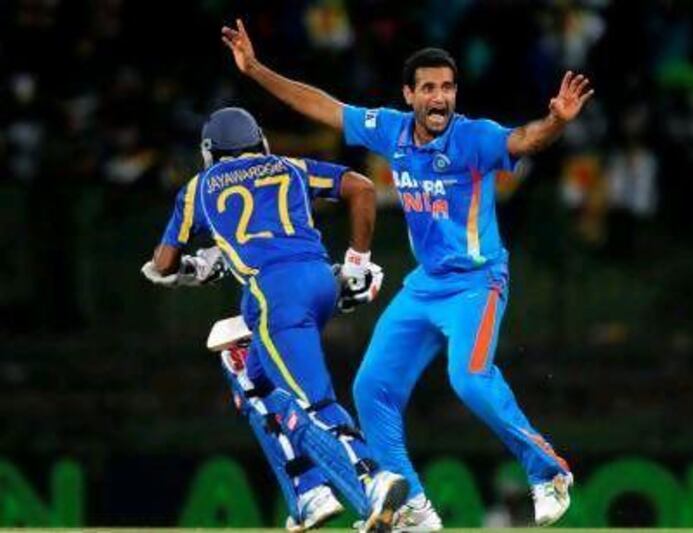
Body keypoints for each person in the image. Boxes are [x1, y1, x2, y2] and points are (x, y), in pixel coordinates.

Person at [221, 18, 593, 529]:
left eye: (447, 88)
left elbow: (524, 141)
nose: (439, 98)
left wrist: (556, 122)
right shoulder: (391, 130)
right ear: (409, 95)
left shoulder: (474, 138)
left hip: (476, 283)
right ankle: (413, 507)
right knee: (370, 387)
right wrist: (257, 69)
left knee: (470, 379)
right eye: (429, 89)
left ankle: (548, 471)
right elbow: (324, 106)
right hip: (424, 286)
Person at [141, 106, 409, 533]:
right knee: (249, 373)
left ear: (211, 153)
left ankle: (373, 480)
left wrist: (198, 266)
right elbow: (360, 188)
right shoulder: (289, 166)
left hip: (274, 294)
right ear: (259, 141)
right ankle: (308, 491)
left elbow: (164, 263)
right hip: (321, 280)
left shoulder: (199, 187)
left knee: (313, 402)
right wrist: (356, 263)